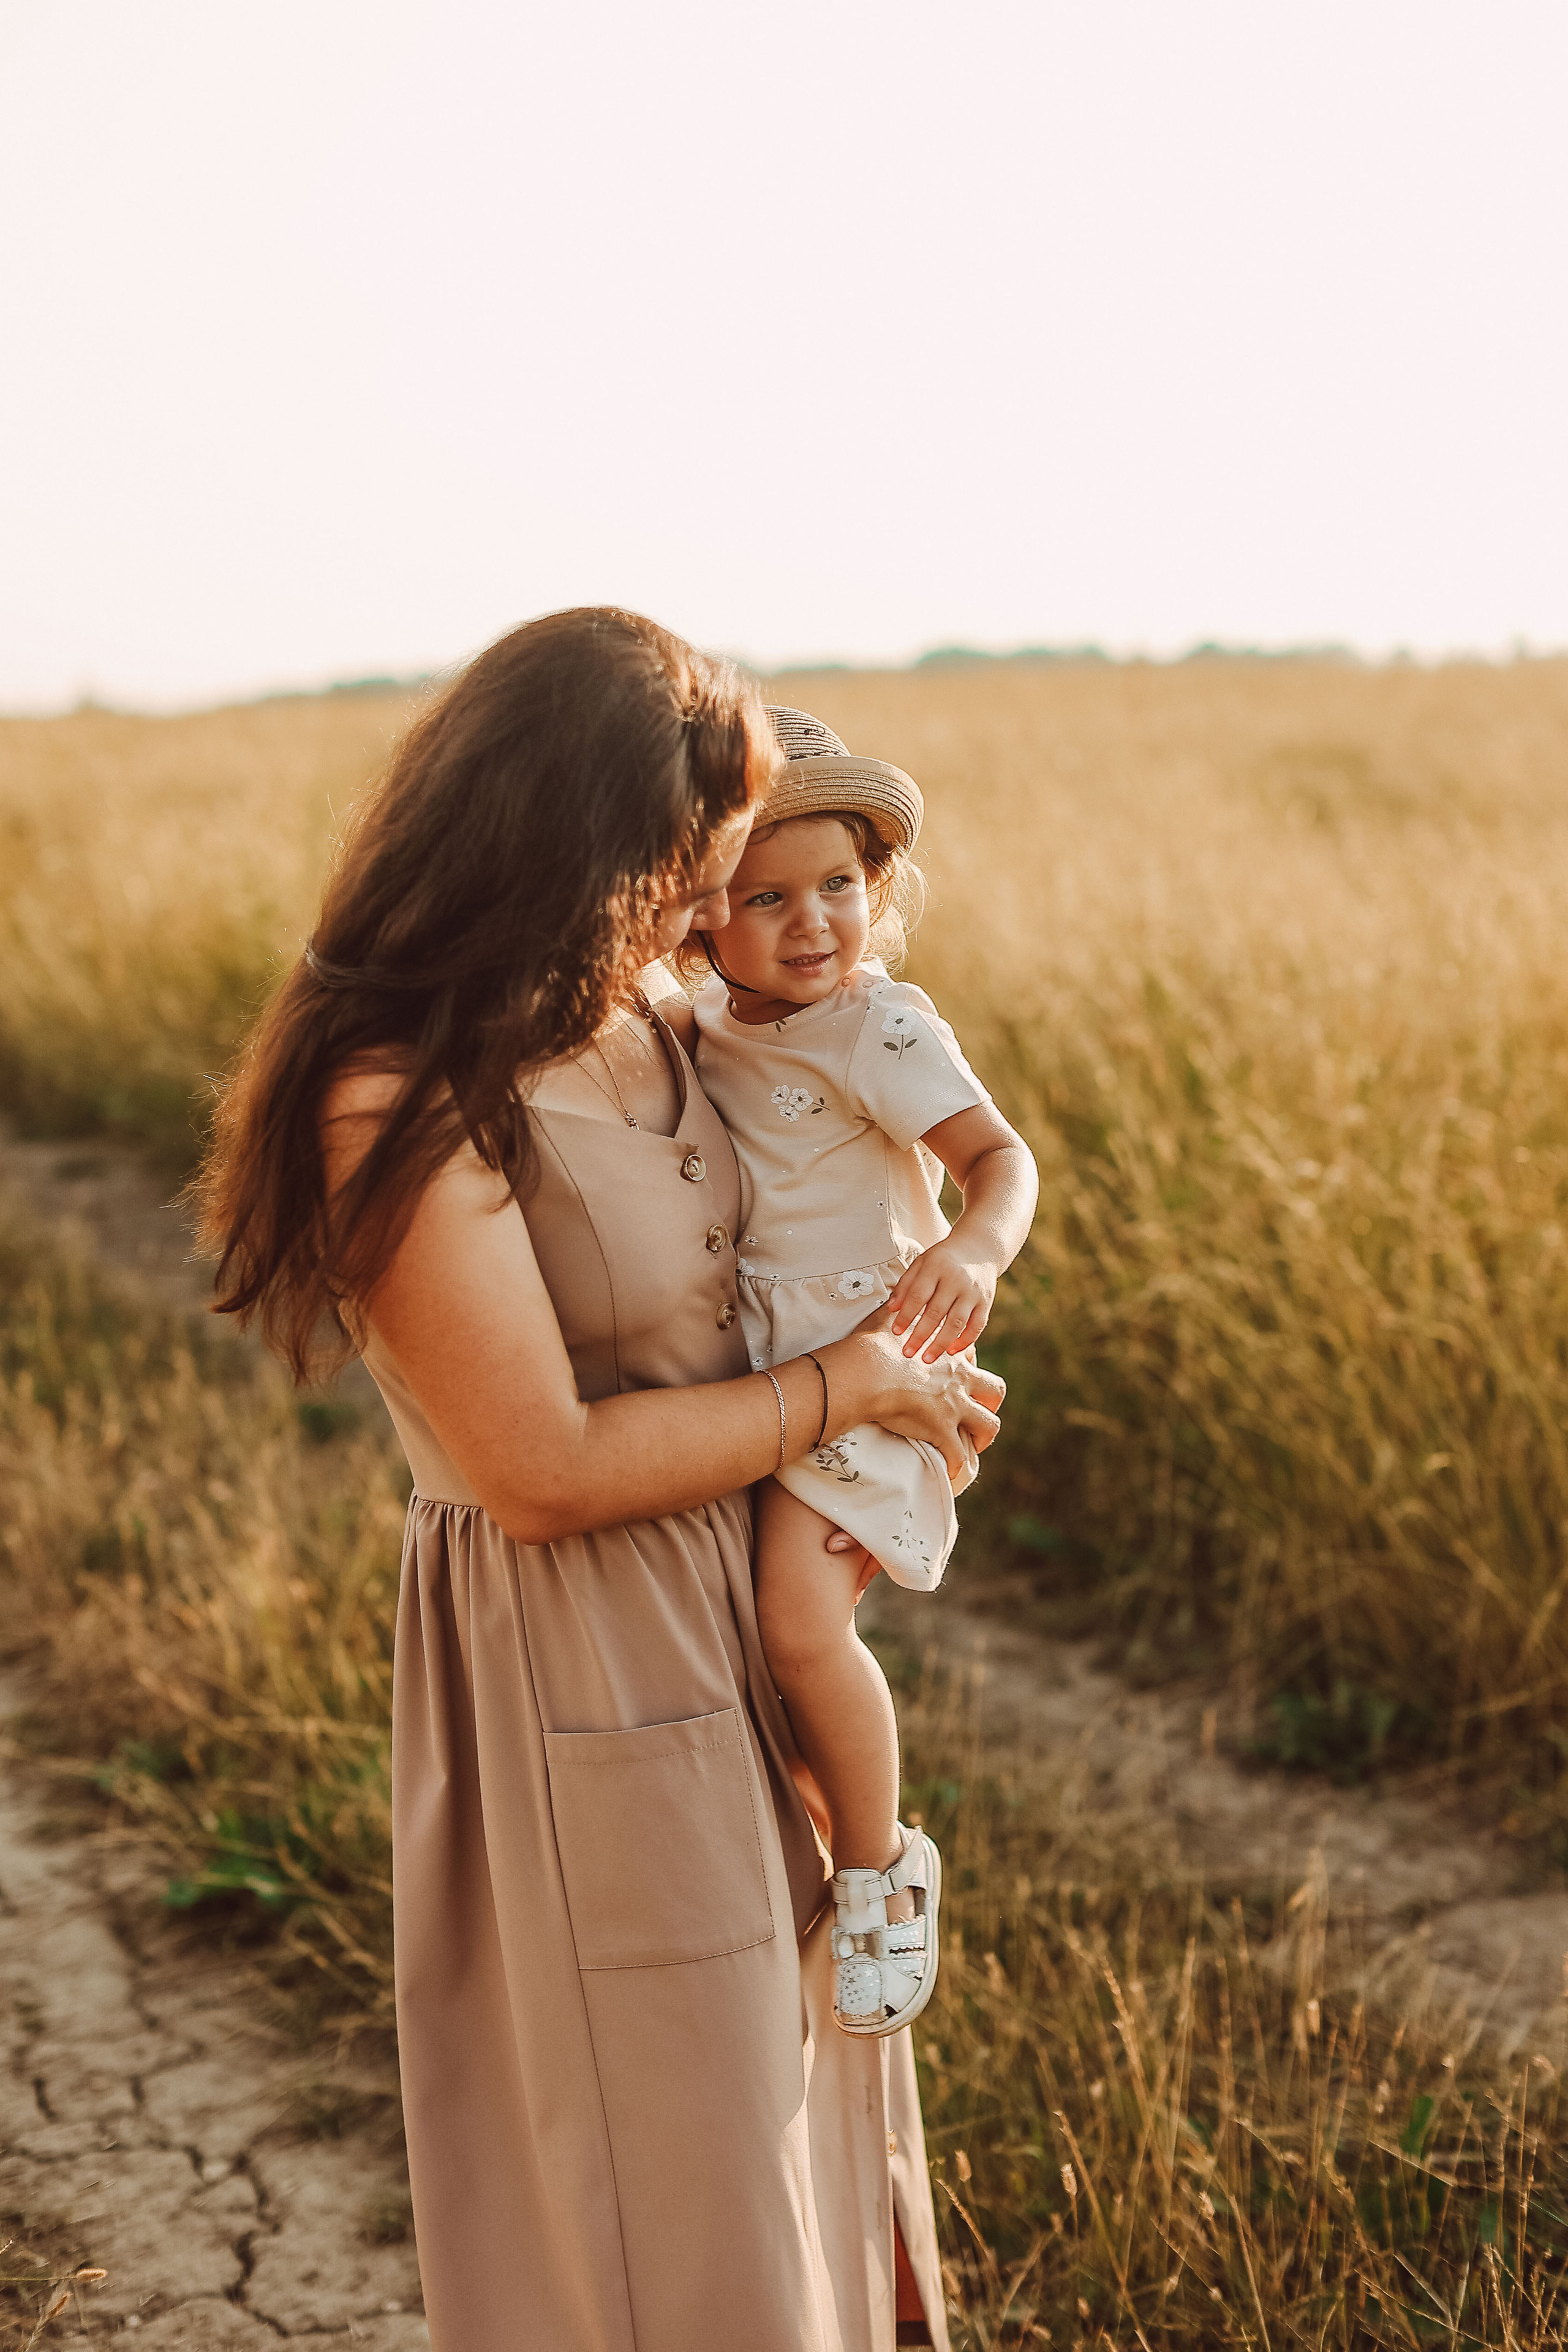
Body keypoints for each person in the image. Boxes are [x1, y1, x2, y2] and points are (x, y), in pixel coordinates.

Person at [195, 611, 1005, 2352]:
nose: (717, 896)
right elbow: (541, 1470)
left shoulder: (658, 1009)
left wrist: (908, 1377)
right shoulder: (392, 1097)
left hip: (732, 1603)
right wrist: (834, 1387)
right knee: (677, 2176)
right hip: (584, 1657)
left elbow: (831, 1202)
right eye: (696, 858)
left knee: (809, 2120)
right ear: (585, 837)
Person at [674, 707, 1038, 2040]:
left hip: (879, 1363)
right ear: (700, 916)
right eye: (763, 897)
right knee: (755, 1649)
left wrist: (976, 1251)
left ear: (875, 887)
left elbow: (1001, 1160)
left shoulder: (877, 1029)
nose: (812, 921)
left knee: (797, 1627)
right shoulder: (704, 1023)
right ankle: (825, 1830)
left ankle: (881, 1867)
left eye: (838, 885)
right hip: (774, 1374)